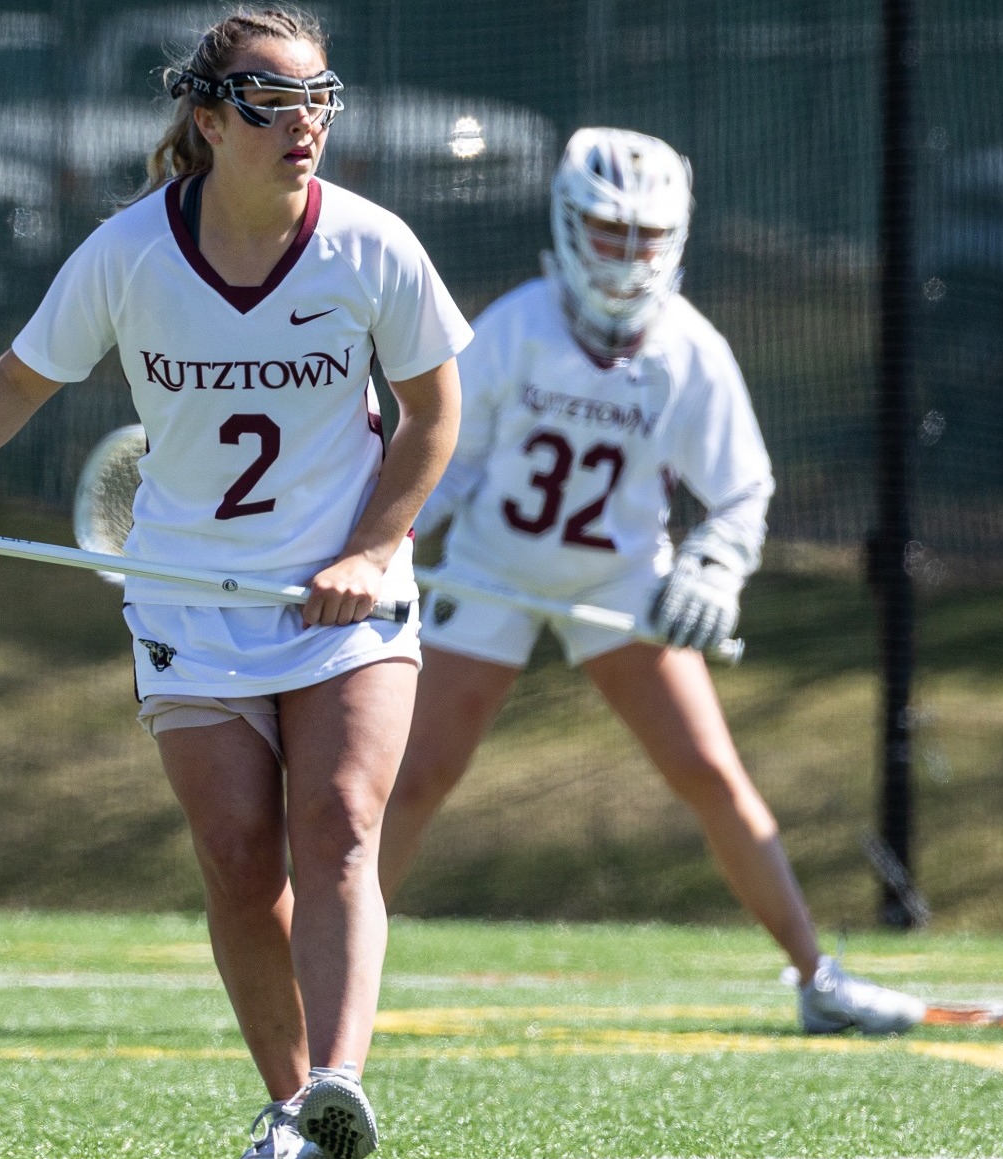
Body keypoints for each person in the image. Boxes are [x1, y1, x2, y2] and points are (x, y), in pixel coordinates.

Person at [0, 9, 468, 1159]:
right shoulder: (127, 253)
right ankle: (284, 1106)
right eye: (273, 104)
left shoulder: (370, 246)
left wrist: (374, 548)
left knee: (336, 821)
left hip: (342, 595)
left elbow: (433, 414)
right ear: (210, 121)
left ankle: (338, 1090)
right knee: (233, 854)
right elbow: (15, 383)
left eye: (319, 99)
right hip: (184, 591)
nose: (304, 125)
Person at [378, 127, 926, 1035]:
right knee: (416, 774)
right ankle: (318, 963)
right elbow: (439, 459)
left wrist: (717, 564)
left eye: (646, 235)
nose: (628, 253)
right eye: (608, 229)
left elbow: (743, 487)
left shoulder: (689, 350)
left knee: (710, 769)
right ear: (566, 222)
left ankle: (816, 973)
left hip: (622, 585)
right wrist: (385, 543)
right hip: (493, 569)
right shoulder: (515, 328)